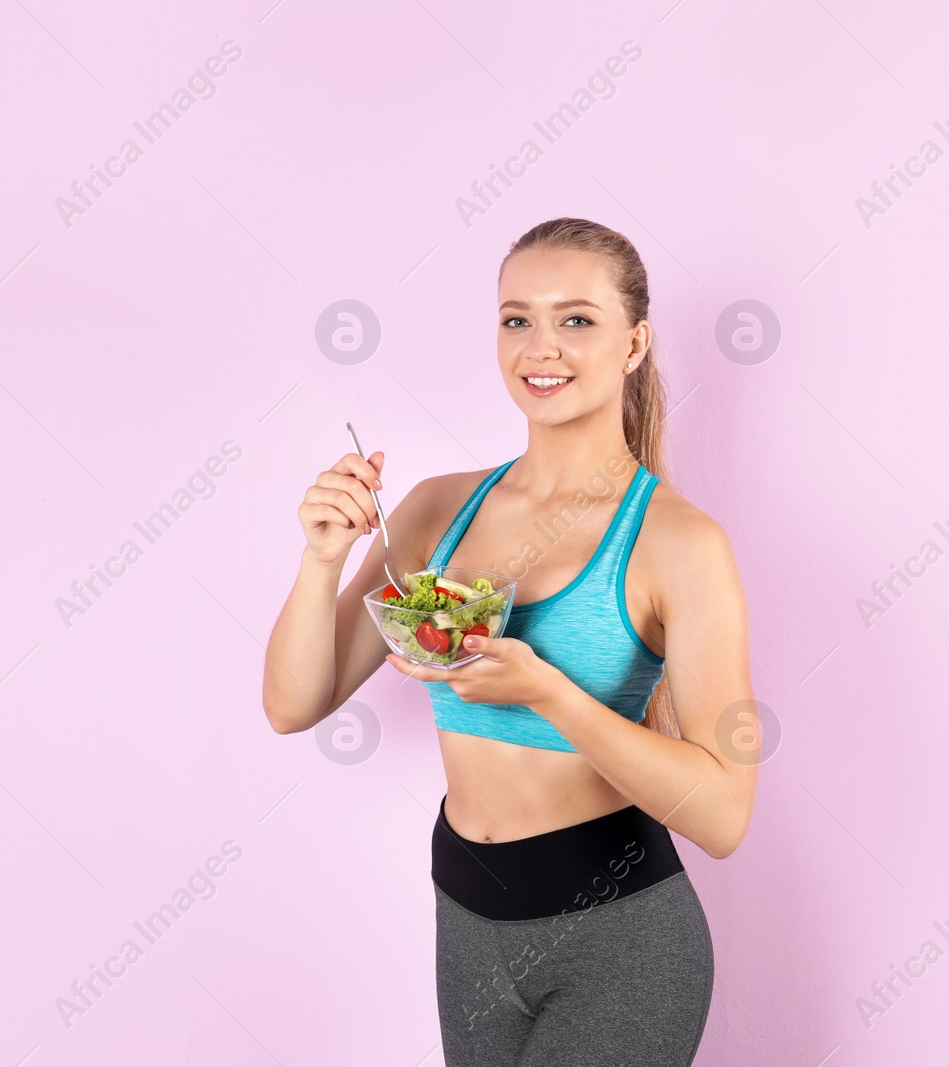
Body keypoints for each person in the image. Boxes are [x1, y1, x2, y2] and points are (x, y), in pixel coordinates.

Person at [260, 217, 758, 1065]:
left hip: (619, 942)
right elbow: (293, 703)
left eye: (577, 319)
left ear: (633, 343)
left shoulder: (678, 542)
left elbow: (722, 814)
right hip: (468, 921)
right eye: (516, 317)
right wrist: (321, 558)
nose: (541, 347)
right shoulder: (432, 511)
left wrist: (548, 691)